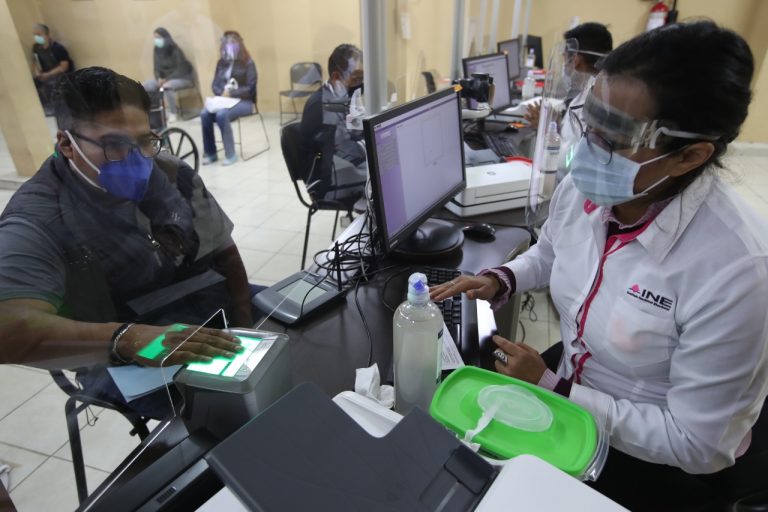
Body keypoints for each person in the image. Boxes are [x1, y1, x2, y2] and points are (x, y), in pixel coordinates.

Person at [431, 21, 767, 511]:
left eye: (615, 137)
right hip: (570, 384)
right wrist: (501, 279)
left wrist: (554, 388)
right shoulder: (587, 189)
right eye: (590, 122)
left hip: (652, 459)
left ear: (690, 155)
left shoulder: (737, 272)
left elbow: (697, 444)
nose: (588, 149)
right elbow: (551, 252)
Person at [0, 67, 257, 417]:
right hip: (125, 356)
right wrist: (129, 339)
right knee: (223, 414)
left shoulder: (169, 173)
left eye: (144, 141)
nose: (137, 159)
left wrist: (245, 324)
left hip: (206, 306)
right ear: (67, 144)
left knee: (295, 338)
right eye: (114, 145)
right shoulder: (37, 218)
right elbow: (9, 329)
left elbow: (225, 252)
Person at [299, 43, 366, 203]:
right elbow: (345, 150)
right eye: (356, 78)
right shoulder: (323, 106)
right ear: (336, 78)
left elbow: (355, 131)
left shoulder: (339, 97)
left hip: (338, 164)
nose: (360, 83)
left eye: (363, 78)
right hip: (326, 182)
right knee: (386, 175)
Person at [525, 22, 612, 138]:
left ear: (576, 60)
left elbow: (571, 147)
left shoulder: (590, 102)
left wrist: (546, 129)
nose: (564, 63)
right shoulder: (596, 89)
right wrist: (555, 121)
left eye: (564, 57)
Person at [200, 31, 257, 166]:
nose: (230, 46)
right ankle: (211, 153)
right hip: (223, 100)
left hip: (244, 102)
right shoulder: (221, 63)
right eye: (227, 43)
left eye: (233, 43)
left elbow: (250, 89)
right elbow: (215, 85)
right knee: (204, 114)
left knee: (221, 114)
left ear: (239, 44)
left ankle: (230, 154)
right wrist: (221, 92)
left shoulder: (248, 62)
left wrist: (232, 93)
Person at [143, 27, 195, 123]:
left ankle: (173, 113)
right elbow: (156, 68)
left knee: (166, 87)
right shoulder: (157, 51)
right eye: (155, 38)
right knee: (147, 85)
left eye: (158, 37)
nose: (156, 40)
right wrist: (159, 78)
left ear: (165, 37)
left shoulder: (175, 49)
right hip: (164, 79)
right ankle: (155, 113)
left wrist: (167, 79)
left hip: (182, 78)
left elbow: (181, 69)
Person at [32, 23, 74, 115]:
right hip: (45, 74)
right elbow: (35, 61)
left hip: (59, 75)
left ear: (47, 35)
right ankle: (47, 107)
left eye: (39, 35)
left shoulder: (57, 48)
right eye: (35, 35)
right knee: (32, 84)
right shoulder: (36, 48)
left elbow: (64, 67)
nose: (36, 37)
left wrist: (48, 75)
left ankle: (60, 108)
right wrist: (37, 73)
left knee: (53, 83)